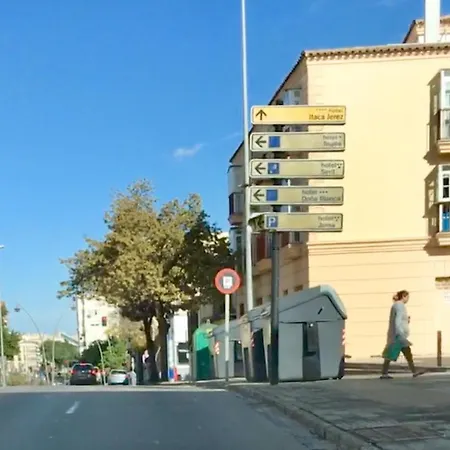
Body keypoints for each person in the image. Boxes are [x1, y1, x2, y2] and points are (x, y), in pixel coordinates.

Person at [380, 290, 425, 379]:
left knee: (402, 353)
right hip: (398, 335)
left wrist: (406, 321)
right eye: (407, 297)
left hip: (397, 335)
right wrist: (400, 332)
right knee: (392, 354)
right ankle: (385, 373)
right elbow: (398, 320)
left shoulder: (397, 305)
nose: (408, 299)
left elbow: (399, 319)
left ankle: (413, 371)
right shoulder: (400, 306)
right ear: (404, 296)